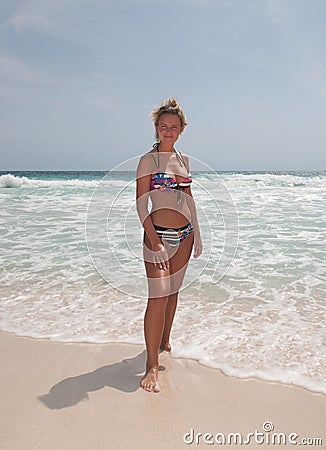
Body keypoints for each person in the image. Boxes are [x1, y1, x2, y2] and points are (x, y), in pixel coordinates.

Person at [136, 98, 202, 393]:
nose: (168, 130)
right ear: (156, 128)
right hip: (158, 235)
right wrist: (154, 241)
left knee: (173, 292)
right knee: (158, 297)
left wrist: (197, 234)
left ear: (181, 130)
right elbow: (140, 205)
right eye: (163, 126)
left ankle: (163, 341)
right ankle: (152, 365)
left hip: (184, 234)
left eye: (174, 127)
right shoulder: (147, 161)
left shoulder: (184, 160)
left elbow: (189, 200)